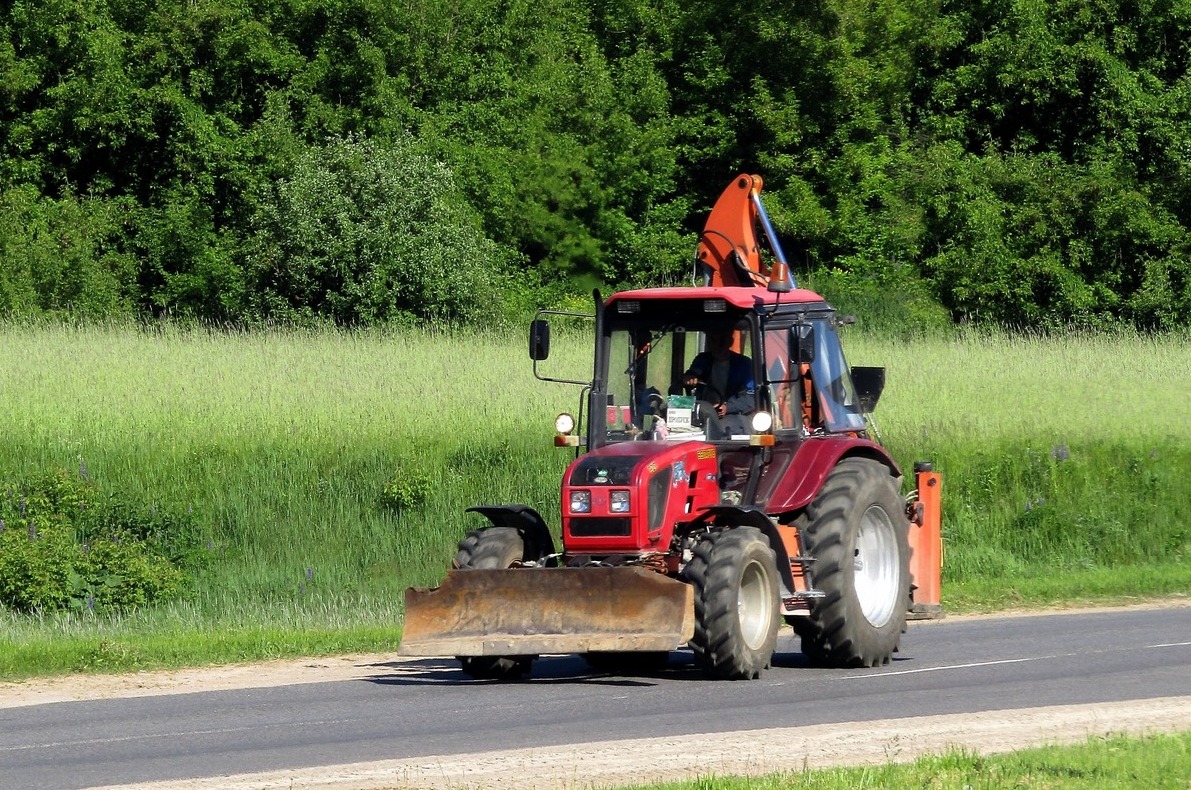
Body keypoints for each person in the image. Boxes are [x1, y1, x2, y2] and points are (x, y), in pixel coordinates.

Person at [683, 327, 755, 436]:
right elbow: (693, 373)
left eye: (722, 340)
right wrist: (689, 378)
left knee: (718, 429)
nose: (717, 345)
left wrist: (727, 407)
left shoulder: (744, 365)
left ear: (730, 342)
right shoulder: (702, 360)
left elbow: (751, 399)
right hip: (702, 413)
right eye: (712, 340)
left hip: (732, 416)